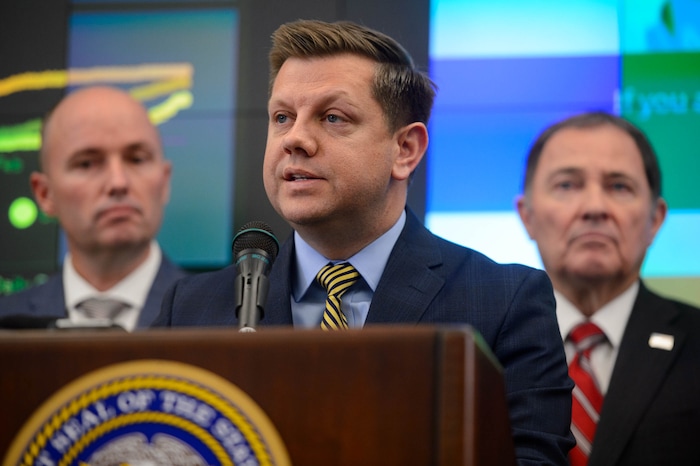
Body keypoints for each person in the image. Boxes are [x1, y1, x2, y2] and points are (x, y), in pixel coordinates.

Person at [154, 19, 574, 464]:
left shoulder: (505, 301)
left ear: (405, 149)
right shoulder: (191, 309)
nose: (294, 139)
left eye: (332, 117)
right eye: (282, 117)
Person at [517, 111, 700, 466]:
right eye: (567, 185)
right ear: (527, 215)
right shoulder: (479, 353)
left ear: (655, 219)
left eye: (619, 187)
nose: (595, 208)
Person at [0, 86, 186, 331]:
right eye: (87, 164)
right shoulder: (7, 327)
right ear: (45, 194)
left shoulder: (222, 319)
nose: (118, 183)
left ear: (164, 182)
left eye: (137, 159)